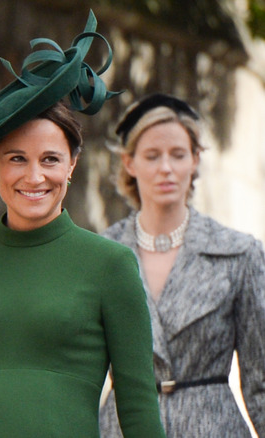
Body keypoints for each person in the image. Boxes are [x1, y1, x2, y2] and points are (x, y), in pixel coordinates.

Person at [0, 11, 166, 438]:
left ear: (72, 164)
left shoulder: (110, 265)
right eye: (17, 158)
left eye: (50, 159)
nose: (35, 176)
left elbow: (136, 401)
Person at [99, 93, 265, 437]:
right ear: (129, 163)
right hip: (123, 429)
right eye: (152, 156)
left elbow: (261, 380)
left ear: (195, 159)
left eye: (178, 154)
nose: (166, 168)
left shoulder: (238, 253)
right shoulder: (101, 254)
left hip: (213, 428)